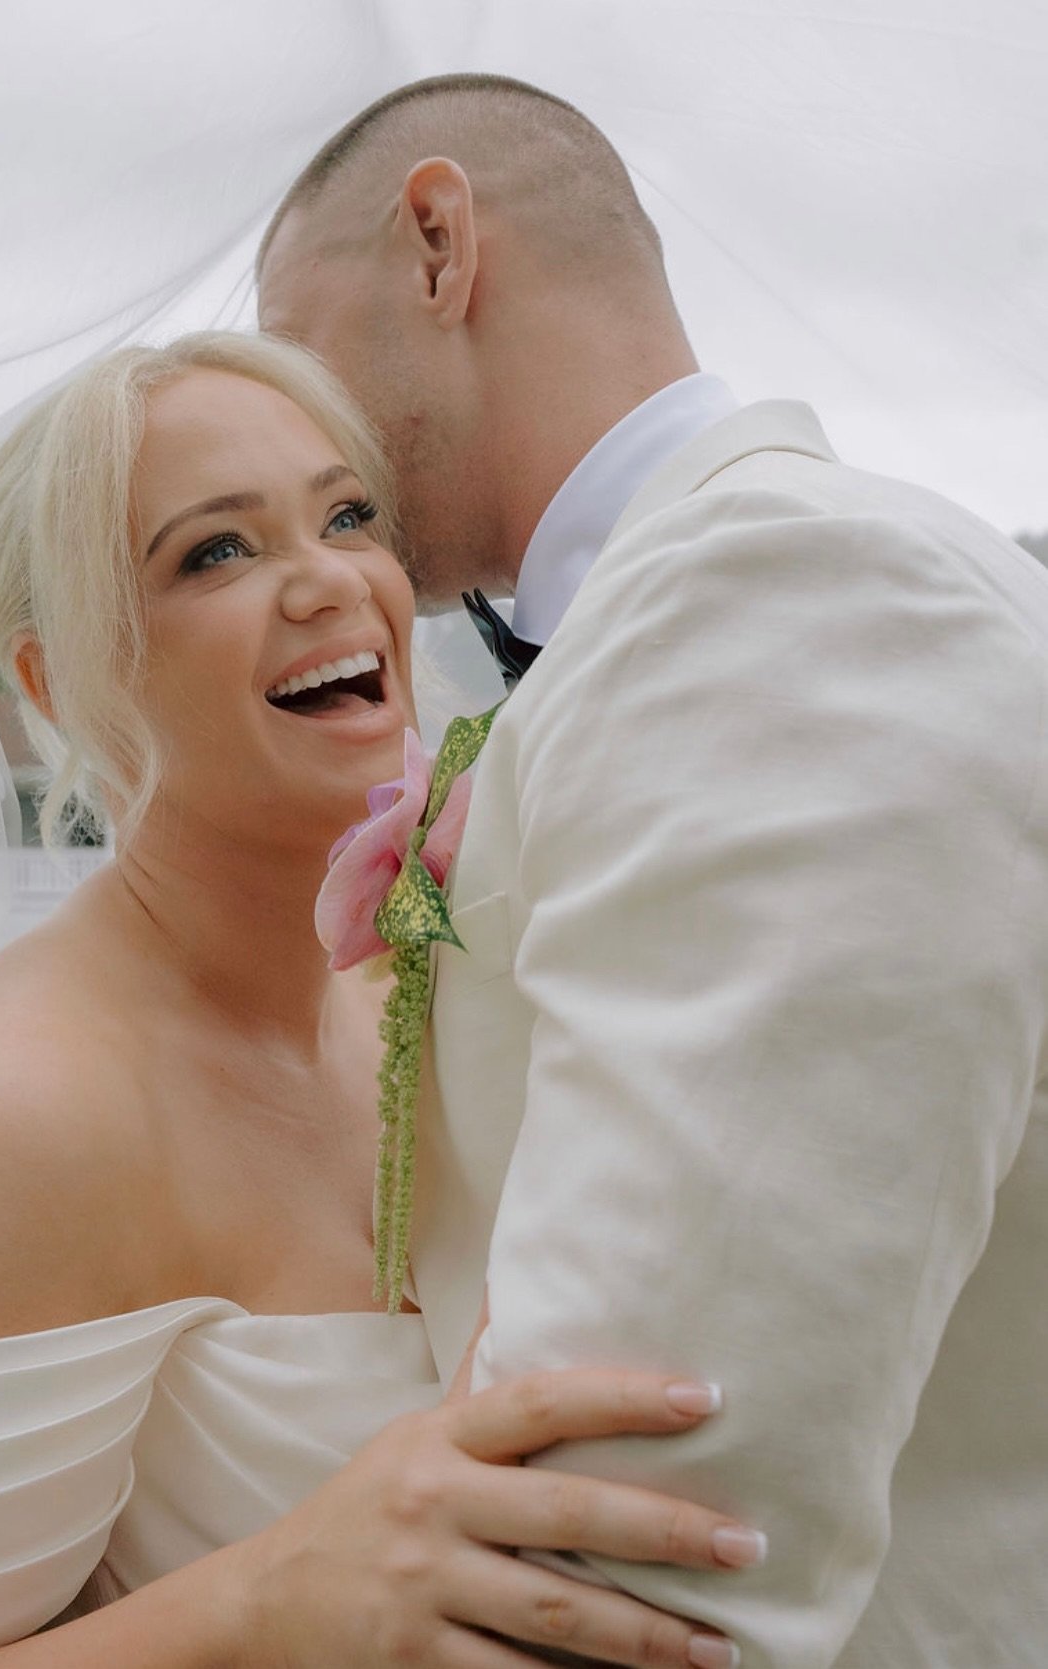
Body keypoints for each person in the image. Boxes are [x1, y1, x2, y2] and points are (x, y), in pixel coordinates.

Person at [0, 331, 763, 1669]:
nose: (328, 582)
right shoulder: (28, 1108)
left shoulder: (439, 976)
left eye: (349, 515)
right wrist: (266, 1600)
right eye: (215, 551)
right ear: (57, 682)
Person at [257, 73, 1048, 1666]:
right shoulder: (677, 616)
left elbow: (648, 1537)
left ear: (438, 243)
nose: (300, 434)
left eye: (301, 354)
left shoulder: (785, 593)